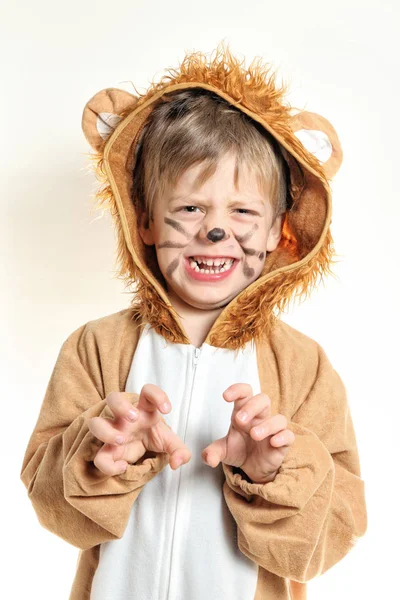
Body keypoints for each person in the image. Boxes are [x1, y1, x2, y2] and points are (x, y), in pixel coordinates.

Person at [20, 43, 368, 600]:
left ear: (280, 229)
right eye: (189, 208)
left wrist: (274, 474)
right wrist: (100, 457)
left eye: (243, 211)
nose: (214, 232)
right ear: (147, 222)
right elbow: (56, 514)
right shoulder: (96, 347)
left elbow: (328, 542)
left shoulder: (302, 364)